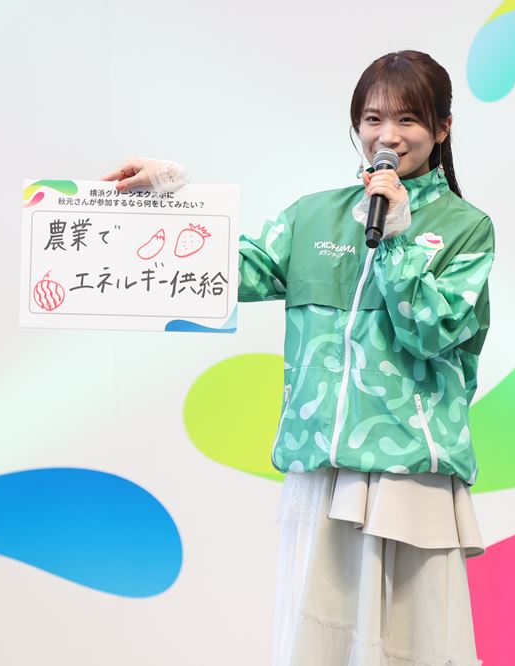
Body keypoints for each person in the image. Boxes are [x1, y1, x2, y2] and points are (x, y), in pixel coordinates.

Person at [103, 50, 494, 666]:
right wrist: (169, 197)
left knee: (409, 649)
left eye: (407, 119)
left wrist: (398, 239)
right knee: (316, 644)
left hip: (408, 473)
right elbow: (229, 271)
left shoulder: (467, 228)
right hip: (319, 468)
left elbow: (432, 330)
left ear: (442, 128)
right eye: (372, 119)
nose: (387, 136)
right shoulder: (314, 215)